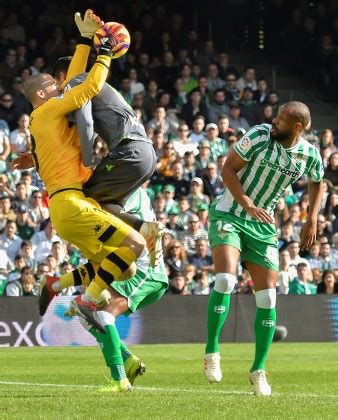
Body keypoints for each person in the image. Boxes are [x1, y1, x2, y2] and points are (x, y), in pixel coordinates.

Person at [21, 11, 147, 331]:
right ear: (40, 94)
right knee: (136, 245)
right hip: (73, 205)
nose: (59, 84)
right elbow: (87, 85)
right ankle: (87, 300)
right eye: (53, 83)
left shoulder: (44, 119)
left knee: (124, 267)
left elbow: (73, 78)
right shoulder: (50, 109)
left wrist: (83, 41)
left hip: (67, 209)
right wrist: (103, 53)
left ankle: (57, 284)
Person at [204, 101, 323, 396]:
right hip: (231, 212)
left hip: (263, 224)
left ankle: (258, 370)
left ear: (296, 127)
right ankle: (212, 350)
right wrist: (248, 204)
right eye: (276, 115)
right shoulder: (259, 135)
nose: (274, 121)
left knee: (269, 297)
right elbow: (228, 169)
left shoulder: (309, 154)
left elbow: (318, 182)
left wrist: (311, 219)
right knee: (226, 279)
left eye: (281, 119)